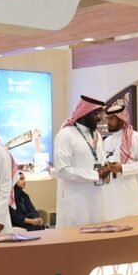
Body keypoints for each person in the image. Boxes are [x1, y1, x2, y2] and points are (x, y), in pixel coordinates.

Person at [54, 96, 110, 227]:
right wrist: (95, 175)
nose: (100, 117)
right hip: (76, 202)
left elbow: (100, 160)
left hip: (97, 200)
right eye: (96, 113)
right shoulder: (65, 135)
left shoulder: (97, 135)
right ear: (85, 112)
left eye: (101, 113)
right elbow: (63, 170)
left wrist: (106, 167)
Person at [101, 100, 138, 219]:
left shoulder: (135, 137)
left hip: (129, 193)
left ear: (121, 119)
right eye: (108, 118)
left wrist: (123, 168)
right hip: (110, 194)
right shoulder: (107, 141)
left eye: (112, 118)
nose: (108, 122)